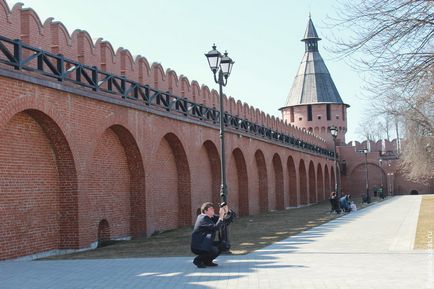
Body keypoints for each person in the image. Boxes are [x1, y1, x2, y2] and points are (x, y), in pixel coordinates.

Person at [191, 202, 228, 268]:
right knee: (214, 250)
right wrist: (221, 216)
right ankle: (197, 260)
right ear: (205, 211)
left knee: (223, 245)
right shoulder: (203, 218)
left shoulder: (210, 217)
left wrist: (225, 211)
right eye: (211, 209)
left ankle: (207, 261)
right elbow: (215, 227)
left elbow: (223, 220)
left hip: (205, 243)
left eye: (213, 208)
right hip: (199, 246)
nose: (213, 210)